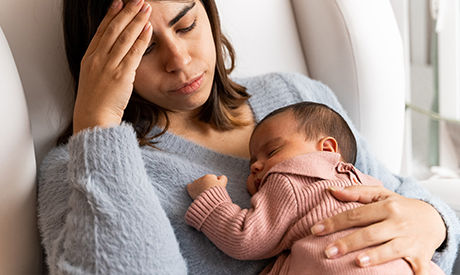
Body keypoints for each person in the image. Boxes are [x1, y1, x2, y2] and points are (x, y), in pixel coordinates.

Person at [37, 0, 459, 274]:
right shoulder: (82, 166)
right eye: (144, 49)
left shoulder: (297, 97)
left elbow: (394, 190)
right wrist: (97, 122)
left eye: (186, 26)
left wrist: (432, 222)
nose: (179, 61)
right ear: (100, 59)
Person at [185, 102, 445, 275]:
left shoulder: (291, 177)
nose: (256, 166)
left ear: (328, 149)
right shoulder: (368, 183)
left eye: (272, 151)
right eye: (253, 162)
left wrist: (212, 199)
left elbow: (246, 238)